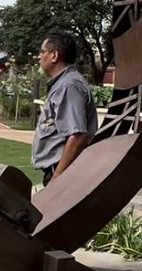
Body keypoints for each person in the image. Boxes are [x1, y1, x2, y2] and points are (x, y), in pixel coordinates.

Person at [31, 31, 97, 185]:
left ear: (54, 55)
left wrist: (57, 178)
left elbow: (78, 135)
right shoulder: (64, 84)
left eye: (42, 52)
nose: (39, 56)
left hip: (64, 175)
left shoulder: (68, 86)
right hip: (61, 172)